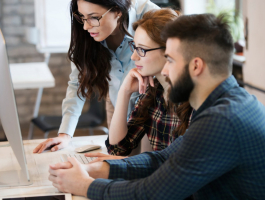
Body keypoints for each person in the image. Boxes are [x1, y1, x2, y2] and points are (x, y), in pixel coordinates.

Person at [48, 13, 265, 199]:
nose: (166, 71)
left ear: (196, 65)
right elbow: (164, 158)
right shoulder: (225, 104)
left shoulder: (221, 121)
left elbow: (152, 194)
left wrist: (84, 185)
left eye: (170, 60)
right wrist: (96, 169)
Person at [33, 0, 159, 154]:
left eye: (94, 17)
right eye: (82, 17)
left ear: (118, 11)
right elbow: (76, 84)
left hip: (152, 104)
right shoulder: (85, 35)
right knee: (119, 159)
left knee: (147, 165)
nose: (86, 26)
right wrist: (65, 134)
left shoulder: (150, 15)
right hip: (117, 101)